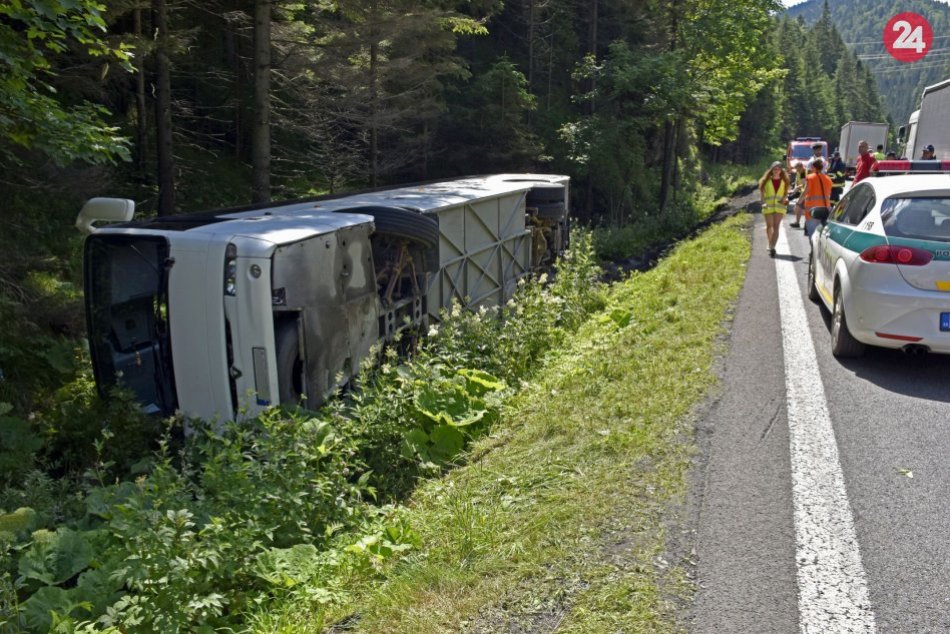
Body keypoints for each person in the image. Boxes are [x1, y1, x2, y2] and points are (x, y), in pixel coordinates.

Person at [758, 161, 790, 257]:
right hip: (768, 206)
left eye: (778, 169)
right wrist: (763, 202)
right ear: (771, 170)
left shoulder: (785, 181)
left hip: (779, 207)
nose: (776, 171)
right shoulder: (765, 181)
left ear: (781, 171)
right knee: (769, 226)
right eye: (774, 169)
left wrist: (785, 199)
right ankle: (770, 242)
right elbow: (762, 194)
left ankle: (772, 246)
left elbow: (785, 193)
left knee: (776, 227)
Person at [801, 159, 833, 237]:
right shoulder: (828, 179)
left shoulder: (810, 177)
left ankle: (813, 249)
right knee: (821, 234)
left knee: (812, 234)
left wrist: (798, 203)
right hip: (825, 209)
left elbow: (805, 191)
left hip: (813, 209)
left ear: (813, 167)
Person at [789, 163, 808, 228]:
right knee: (799, 208)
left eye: (797, 169)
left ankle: (806, 224)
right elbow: (798, 182)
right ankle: (797, 222)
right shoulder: (799, 172)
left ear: (801, 167)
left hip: (806, 193)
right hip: (802, 193)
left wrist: (796, 188)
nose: (796, 171)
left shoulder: (805, 173)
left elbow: (804, 184)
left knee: (801, 208)